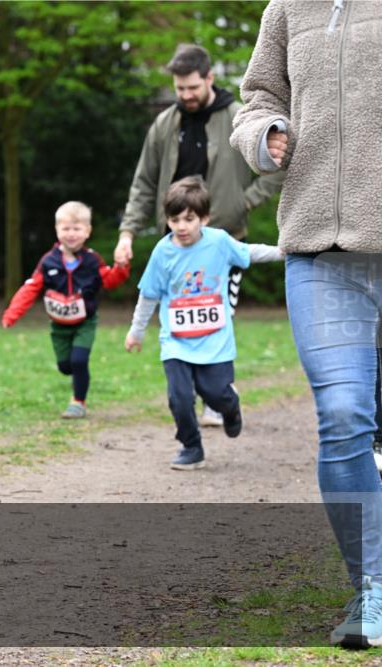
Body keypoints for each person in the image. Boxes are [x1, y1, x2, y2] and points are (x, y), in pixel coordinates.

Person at [229, 0, 382, 648]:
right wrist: (261, 137)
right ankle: (372, 587)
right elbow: (256, 98)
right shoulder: (288, 9)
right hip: (322, 255)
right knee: (344, 414)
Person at [114, 43, 284, 428]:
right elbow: (143, 183)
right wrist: (127, 232)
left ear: (209, 78)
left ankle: (216, 394)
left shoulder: (239, 119)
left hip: (224, 241)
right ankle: (188, 389)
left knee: (217, 315)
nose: (186, 95)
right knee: (179, 313)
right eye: (180, 89)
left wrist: (245, 201)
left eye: (192, 87)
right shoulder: (164, 126)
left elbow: (276, 166)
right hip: (177, 243)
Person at [124, 177, 282, 469]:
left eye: (189, 219)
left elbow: (249, 253)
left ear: (204, 218)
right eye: (174, 220)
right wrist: (137, 330)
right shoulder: (163, 252)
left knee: (216, 394)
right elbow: (149, 295)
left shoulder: (219, 242)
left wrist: (283, 251)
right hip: (176, 341)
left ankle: (230, 407)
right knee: (179, 398)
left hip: (215, 341)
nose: (181, 226)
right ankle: (191, 447)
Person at [2, 201, 129, 418]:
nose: (71, 234)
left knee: (79, 360)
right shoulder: (48, 262)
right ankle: (75, 374)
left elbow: (109, 281)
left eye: (77, 228)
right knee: (65, 366)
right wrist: (11, 314)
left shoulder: (92, 261)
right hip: (59, 327)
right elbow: (30, 289)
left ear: (87, 231)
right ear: (57, 230)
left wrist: (122, 267)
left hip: (85, 323)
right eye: (66, 228)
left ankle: (78, 402)